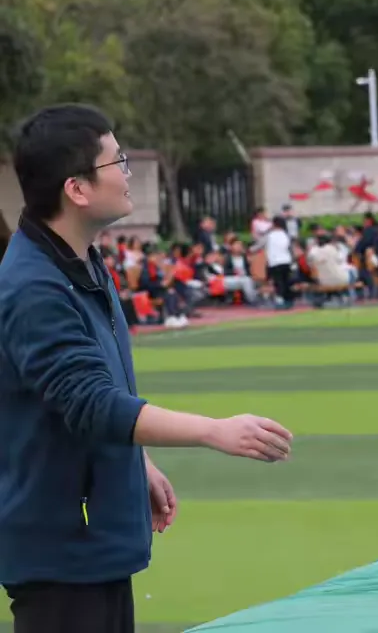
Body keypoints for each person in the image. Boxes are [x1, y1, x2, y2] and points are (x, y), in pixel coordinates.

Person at [0, 104, 294, 633]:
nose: (128, 173)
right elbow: (89, 401)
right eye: (118, 162)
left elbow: (93, 390)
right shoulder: (33, 287)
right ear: (78, 189)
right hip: (61, 551)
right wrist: (212, 430)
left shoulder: (81, 259)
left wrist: (137, 463)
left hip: (94, 541)